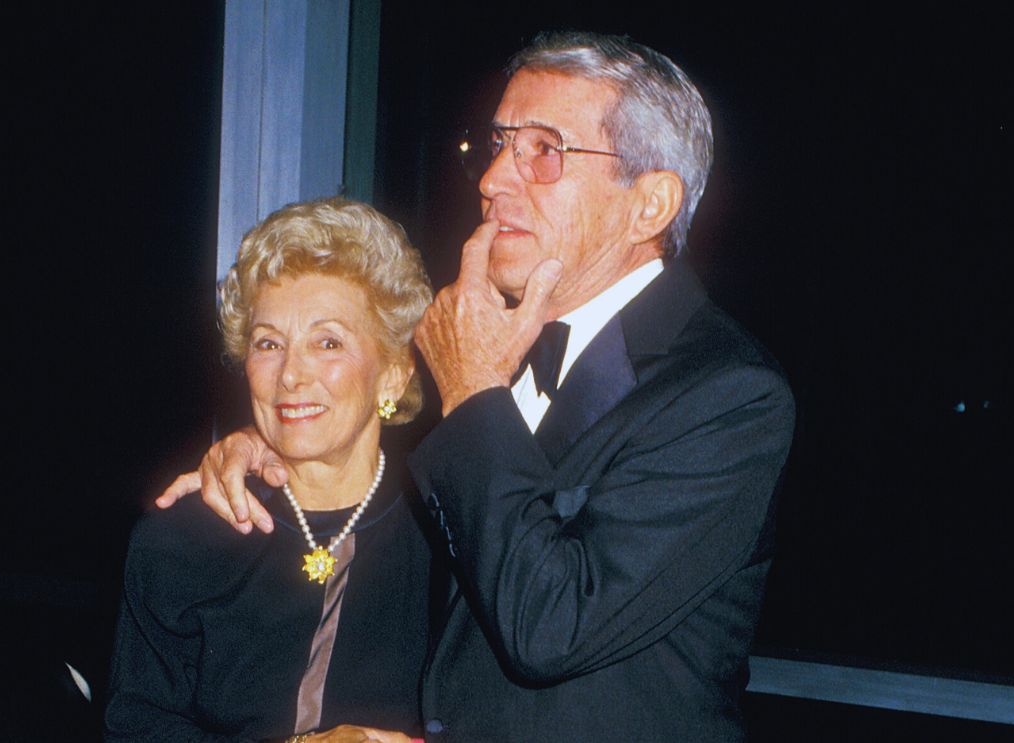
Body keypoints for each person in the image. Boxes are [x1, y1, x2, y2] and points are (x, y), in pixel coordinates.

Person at [163, 31, 796, 742]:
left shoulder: (725, 391)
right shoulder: (500, 350)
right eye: (496, 144)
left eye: (542, 150)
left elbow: (549, 625)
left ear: (647, 204)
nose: (493, 179)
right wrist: (274, 450)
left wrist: (470, 391)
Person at [107, 198, 435, 743]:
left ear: (393, 376)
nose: (290, 375)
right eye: (268, 344)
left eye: (327, 342)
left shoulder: (447, 545)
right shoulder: (178, 543)